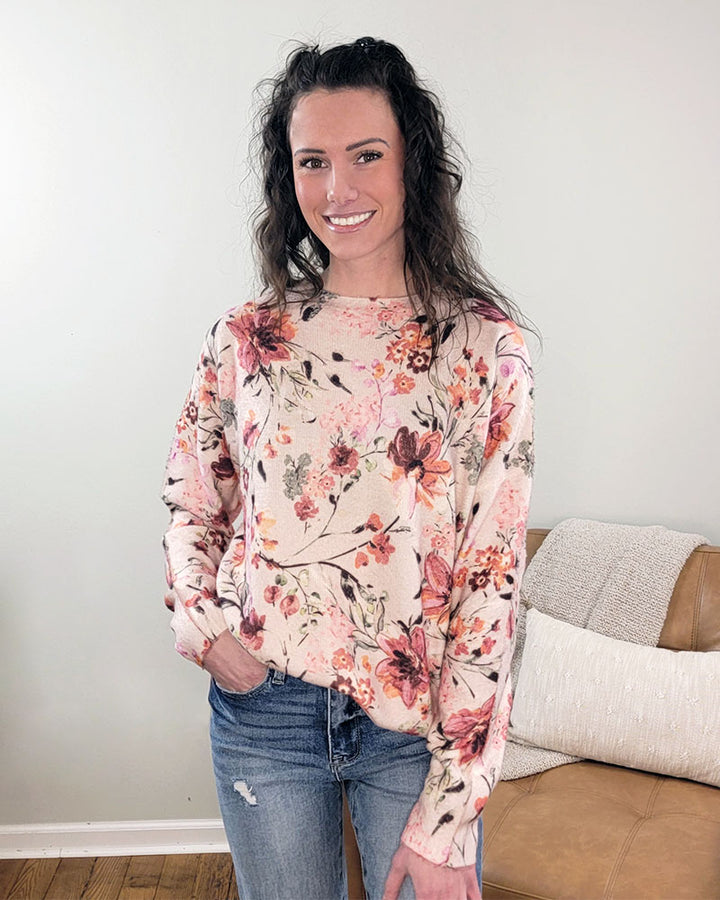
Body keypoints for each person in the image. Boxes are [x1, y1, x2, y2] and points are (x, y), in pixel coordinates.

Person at [162, 37, 534, 900]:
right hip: (264, 710)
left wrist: (454, 810)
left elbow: (492, 581)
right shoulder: (249, 336)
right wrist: (204, 627)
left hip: (415, 725)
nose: (339, 190)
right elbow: (192, 492)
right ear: (287, 179)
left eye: (367, 155)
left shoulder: (484, 350)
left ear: (414, 162)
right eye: (313, 162)